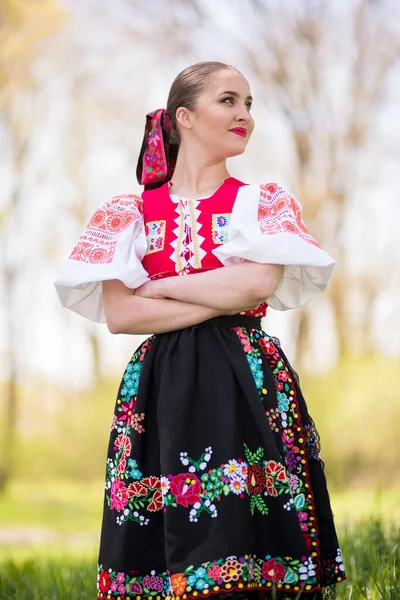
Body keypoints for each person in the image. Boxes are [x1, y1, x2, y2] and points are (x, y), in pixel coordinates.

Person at [54, 61, 346, 600]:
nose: (245, 116)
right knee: (166, 536)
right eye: (229, 101)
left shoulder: (259, 203)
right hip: (163, 383)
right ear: (183, 117)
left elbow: (255, 284)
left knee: (253, 536)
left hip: (245, 377)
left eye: (249, 104)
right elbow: (122, 316)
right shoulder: (132, 212)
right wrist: (221, 290)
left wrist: (159, 287)